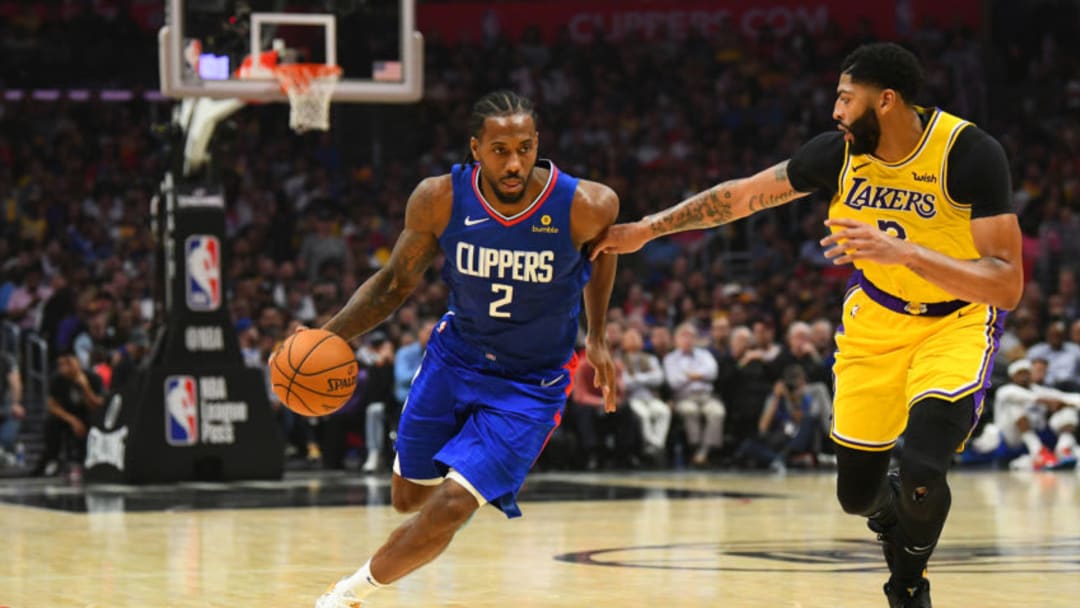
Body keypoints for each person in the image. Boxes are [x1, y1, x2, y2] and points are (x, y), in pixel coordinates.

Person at [593, 42, 1022, 607]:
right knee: (857, 496)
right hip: (874, 324)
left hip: (955, 324)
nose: (836, 112)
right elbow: (742, 197)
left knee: (923, 470)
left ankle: (908, 584)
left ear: (886, 100)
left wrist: (907, 253)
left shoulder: (968, 154)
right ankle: (892, 514)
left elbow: (1007, 283)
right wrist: (648, 228)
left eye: (846, 99)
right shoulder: (839, 154)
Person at [315, 90, 619, 607]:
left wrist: (596, 334)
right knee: (407, 499)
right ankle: (443, 512)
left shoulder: (587, 205)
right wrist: (328, 336)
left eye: (525, 147)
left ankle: (345, 596)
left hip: (531, 385)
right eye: (500, 149)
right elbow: (393, 284)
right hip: (454, 361)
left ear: (538, 143)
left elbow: (605, 254)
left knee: (451, 506)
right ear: (475, 148)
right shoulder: (440, 199)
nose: (515, 161)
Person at [36, 350, 106, 476]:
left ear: (77, 362)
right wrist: (73, 421)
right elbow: (52, 406)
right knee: (51, 423)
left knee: (94, 422)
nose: (64, 368)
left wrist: (86, 388)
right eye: (61, 365)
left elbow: (98, 406)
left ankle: (90, 462)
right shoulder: (57, 379)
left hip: (89, 416)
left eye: (68, 363)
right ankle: (52, 459)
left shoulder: (93, 378)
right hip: (69, 417)